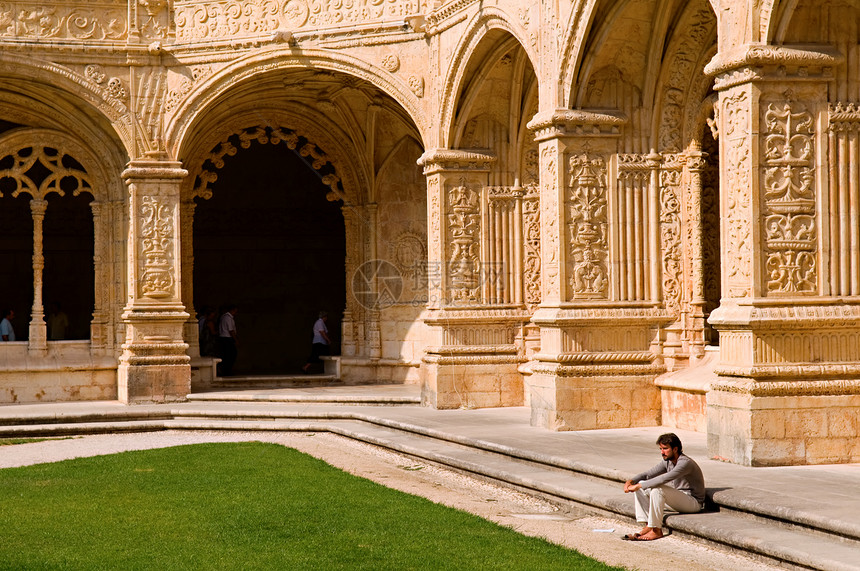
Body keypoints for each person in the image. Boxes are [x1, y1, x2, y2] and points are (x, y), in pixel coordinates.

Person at [622, 432, 705, 541]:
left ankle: (656, 531)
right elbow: (648, 474)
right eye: (661, 449)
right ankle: (649, 525)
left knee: (657, 489)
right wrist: (631, 481)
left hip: (693, 503)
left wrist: (638, 485)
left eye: (665, 449)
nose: (662, 452)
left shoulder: (685, 463)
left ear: (675, 449)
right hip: (678, 500)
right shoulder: (668, 461)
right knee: (643, 486)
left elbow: (663, 479)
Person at [217, 304, 238, 376]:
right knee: (230, 355)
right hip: (227, 339)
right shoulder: (228, 318)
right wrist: (236, 340)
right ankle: (227, 371)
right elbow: (231, 330)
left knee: (227, 355)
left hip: (224, 338)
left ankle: (226, 370)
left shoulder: (224, 317)